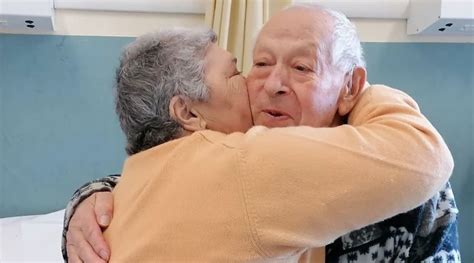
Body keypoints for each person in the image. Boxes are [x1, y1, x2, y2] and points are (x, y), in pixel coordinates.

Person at [63, 4, 459, 262]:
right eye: (257, 65)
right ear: (188, 112)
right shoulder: (241, 156)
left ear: (349, 86)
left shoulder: (411, 183)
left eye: (302, 68)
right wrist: (85, 202)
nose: (272, 84)